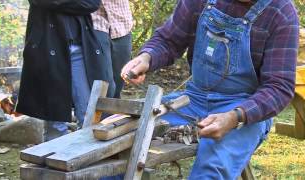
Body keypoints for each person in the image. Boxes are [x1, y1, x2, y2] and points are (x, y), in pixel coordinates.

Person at [121, 0, 299, 179]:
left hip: (244, 110)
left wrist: (234, 116)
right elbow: (169, 40)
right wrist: (147, 57)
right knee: (121, 132)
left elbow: (279, 87)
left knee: (210, 171)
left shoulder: (281, 12)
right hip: (191, 100)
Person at [16, 0, 115, 140]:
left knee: (87, 112)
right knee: (54, 117)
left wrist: (57, 4)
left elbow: (91, 4)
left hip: (80, 47)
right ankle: (54, 158)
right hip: (48, 47)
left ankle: (85, 157)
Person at [91, 0, 133, 99]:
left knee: (120, 77)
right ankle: (102, 112)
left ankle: (113, 112)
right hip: (95, 24)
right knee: (104, 81)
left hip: (122, 24)